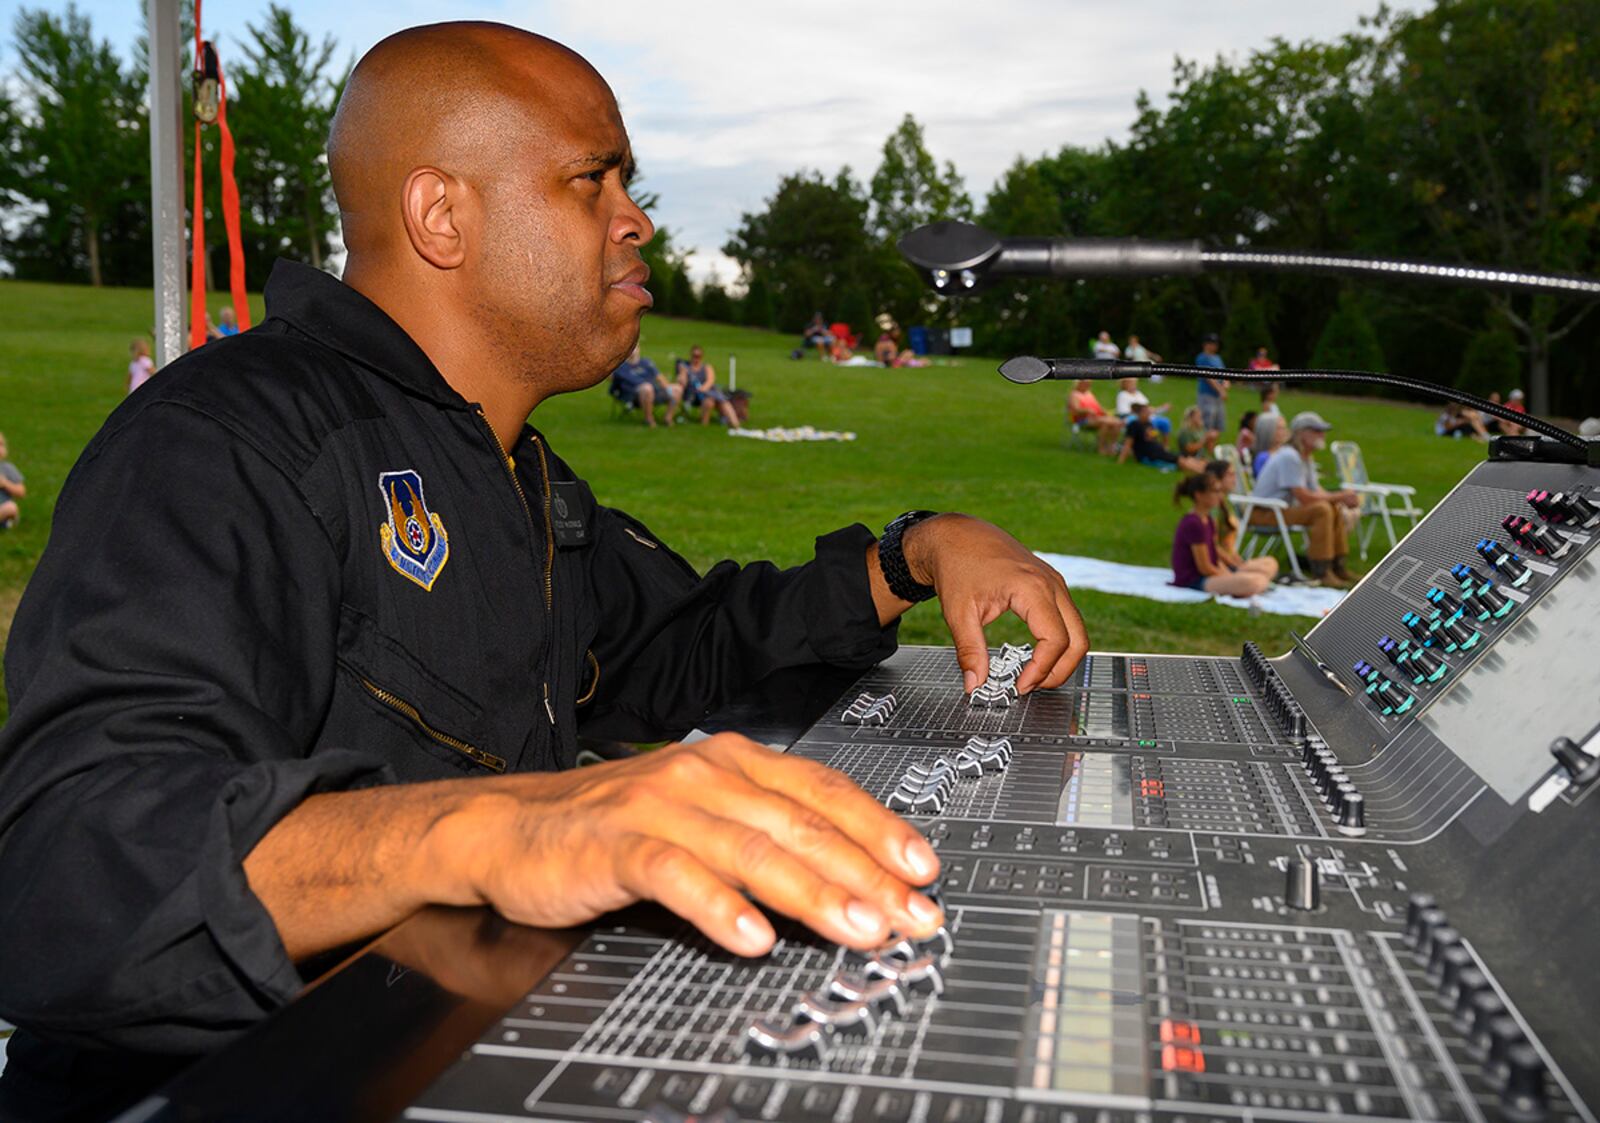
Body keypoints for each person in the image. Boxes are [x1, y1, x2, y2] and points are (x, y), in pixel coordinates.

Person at [0, 25, 1097, 1118]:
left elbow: (684, 646)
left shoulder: (514, 474)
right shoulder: (227, 441)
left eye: (629, 180)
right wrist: (503, 826)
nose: (637, 220)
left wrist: (910, 551)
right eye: (592, 179)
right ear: (442, 215)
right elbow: (62, 867)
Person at [1250, 411, 1360, 587]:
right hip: (1264, 513)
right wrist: (1340, 496)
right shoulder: (1289, 457)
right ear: (1301, 433)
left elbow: (1317, 491)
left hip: (1280, 510)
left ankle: (1338, 567)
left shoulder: (1304, 457)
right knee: (1321, 509)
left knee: (1331, 507)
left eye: (1322, 431)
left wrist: (1340, 499)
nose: (1322, 435)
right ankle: (1322, 571)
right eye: (1317, 431)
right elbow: (1304, 497)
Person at [1171, 474, 1274, 598]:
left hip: (1213, 573)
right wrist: (1232, 577)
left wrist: (1235, 569)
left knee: (1269, 564)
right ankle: (1248, 585)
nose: (1220, 496)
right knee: (1255, 581)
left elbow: (1214, 552)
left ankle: (1247, 583)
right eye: (1215, 491)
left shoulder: (1208, 520)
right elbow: (1204, 567)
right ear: (1199, 495)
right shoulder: (1193, 523)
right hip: (1195, 580)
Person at [1201, 459, 1279, 583]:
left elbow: (1229, 546)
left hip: (1232, 560)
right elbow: (1213, 547)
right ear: (1217, 479)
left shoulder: (1225, 504)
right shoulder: (1213, 510)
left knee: (1270, 563)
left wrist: (1239, 562)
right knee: (1261, 574)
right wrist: (1236, 565)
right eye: (1230, 475)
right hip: (1222, 563)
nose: (1234, 479)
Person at [1119, 401, 1205, 473]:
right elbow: (1128, 443)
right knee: (1182, 461)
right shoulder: (1134, 425)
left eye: (1148, 411)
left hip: (1159, 451)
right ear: (1139, 413)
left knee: (1187, 458)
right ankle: (1203, 473)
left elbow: (1154, 438)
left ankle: (1206, 471)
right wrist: (1121, 461)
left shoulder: (1149, 423)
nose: (1148, 413)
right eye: (1146, 411)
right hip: (1150, 456)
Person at [610, 343, 679, 427]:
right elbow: (610, 378)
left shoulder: (646, 363)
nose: (633, 351)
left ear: (639, 349)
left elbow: (660, 378)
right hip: (632, 396)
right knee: (647, 388)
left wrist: (669, 388)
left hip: (654, 392)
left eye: (635, 347)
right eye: (630, 348)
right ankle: (649, 419)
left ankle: (668, 418)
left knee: (677, 388)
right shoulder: (620, 366)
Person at [672, 345, 741, 427]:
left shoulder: (707, 367)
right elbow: (683, 382)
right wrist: (682, 374)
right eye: (694, 356)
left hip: (708, 391)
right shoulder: (685, 367)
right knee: (709, 402)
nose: (696, 358)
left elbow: (710, 380)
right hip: (692, 395)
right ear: (690, 356)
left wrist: (703, 389)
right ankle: (705, 423)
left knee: (723, 401)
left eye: (698, 356)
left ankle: (735, 424)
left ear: (702, 357)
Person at [1068, 379, 1123, 455]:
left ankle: (1111, 446)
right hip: (1082, 420)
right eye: (1086, 383)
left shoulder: (1088, 394)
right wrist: (1087, 410)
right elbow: (1075, 410)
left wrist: (1104, 412)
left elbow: (1097, 407)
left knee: (1111, 424)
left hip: (1095, 418)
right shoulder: (1074, 395)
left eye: (1089, 384)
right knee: (1108, 422)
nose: (1087, 385)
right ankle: (1102, 447)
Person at [1194, 332, 1228, 432]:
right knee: (1207, 422)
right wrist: (1221, 390)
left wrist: (1226, 382)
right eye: (1211, 343)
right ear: (1205, 344)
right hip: (1207, 395)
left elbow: (1224, 372)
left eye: (1215, 343)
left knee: (1218, 423)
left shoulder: (1217, 358)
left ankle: (1213, 446)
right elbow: (1208, 377)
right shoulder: (1202, 358)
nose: (1214, 346)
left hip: (1217, 396)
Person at [0, 432, 25, 530]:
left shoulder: (7, 468)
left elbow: (21, 492)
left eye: (1, 444)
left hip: (2, 509)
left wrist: (5, 484)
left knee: (11, 508)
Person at [1253, 413, 1285, 479]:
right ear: (1267, 430)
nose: (1284, 432)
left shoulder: (1286, 452)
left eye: (1283, 428)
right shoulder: (1263, 458)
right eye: (1279, 428)